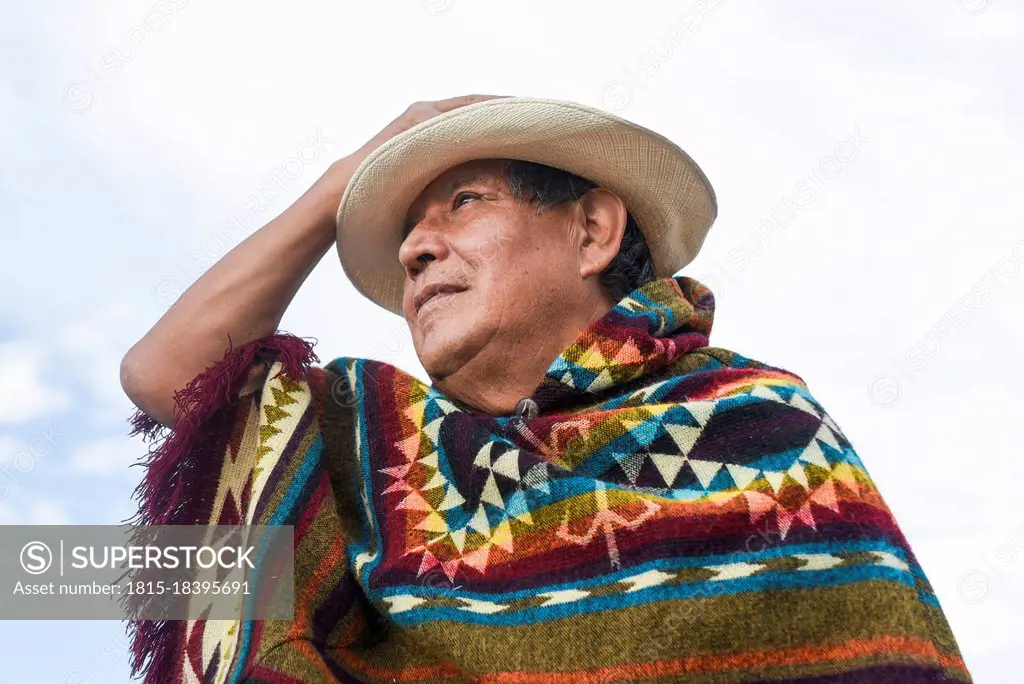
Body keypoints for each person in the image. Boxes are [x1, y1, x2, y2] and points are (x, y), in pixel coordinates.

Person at [120, 95, 970, 683]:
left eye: (463, 202)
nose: (418, 249)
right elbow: (167, 375)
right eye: (409, 229)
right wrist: (342, 180)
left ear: (593, 230)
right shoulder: (382, 460)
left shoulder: (756, 426)